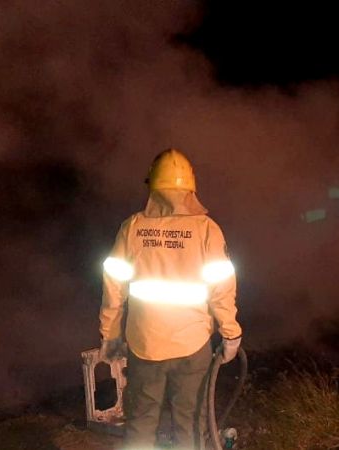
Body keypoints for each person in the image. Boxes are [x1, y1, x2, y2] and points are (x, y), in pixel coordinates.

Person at [98, 148, 242, 449]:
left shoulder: (133, 228)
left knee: (140, 422)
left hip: (144, 344)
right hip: (192, 346)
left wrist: (110, 335)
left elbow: (113, 287)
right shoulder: (206, 230)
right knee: (189, 423)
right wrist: (231, 334)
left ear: (153, 186)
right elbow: (221, 289)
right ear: (190, 188)